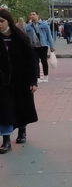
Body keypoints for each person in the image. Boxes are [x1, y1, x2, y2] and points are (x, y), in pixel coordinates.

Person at [0, 9, 39, 153]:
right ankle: (6, 140)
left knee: (21, 106)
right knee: (4, 109)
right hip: (3, 82)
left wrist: (33, 81)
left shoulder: (21, 38)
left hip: (21, 80)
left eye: (2, 21)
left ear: (9, 22)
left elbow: (31, 61)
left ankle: (22, 130)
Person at [25, 10, 55, 83]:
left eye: (33, 14)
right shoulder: (28, 26)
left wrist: (52, 46)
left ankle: (45, 76)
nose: (32, 16)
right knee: (35, 62)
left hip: (43, 45)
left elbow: (49, 35)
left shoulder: (44, 25)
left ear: (37, 16)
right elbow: (26, 37)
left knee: (44, 61)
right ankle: (37, 77)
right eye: (31, 15)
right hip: (33, 46)